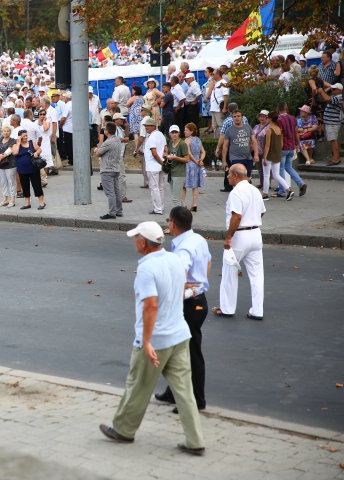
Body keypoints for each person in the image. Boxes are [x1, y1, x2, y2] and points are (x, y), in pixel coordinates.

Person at [99, 221, 205, 457]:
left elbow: (150, 306)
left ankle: (124, 430)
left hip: (157, 340)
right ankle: (195, 440)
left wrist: (146, 341)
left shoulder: (147, 268)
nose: (134, 240)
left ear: (143, 243)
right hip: (179, 335)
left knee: (137, 386)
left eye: (136, 237)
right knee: (185, 391)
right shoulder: (174, 260)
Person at [155, 207, 211, 413]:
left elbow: (178, 274)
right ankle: (173, 391)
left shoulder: (183, 249)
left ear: (172, 225)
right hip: (198, 299)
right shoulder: (197, 239)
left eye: (168, 221)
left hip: (189, 303)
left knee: (190, 352)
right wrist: (200, 283)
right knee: (177, 349)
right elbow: (209, 262)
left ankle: (196, 399)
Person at [212, 164, 266, 321]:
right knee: (257, 275)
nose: (227, 177)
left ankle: (227, 308)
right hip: (256, 234)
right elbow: (262, 211)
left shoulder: (236, 193)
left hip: (239, 236)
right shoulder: (255, 190)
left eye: (229, 174)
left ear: (235, 175)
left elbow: (236, 217)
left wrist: (229, 236)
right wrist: (252, 222)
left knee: (229, 272)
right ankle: (257, 311)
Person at [276, 102, 307, 198]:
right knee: (289, 167)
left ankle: (282, 190)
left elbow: (279, 134)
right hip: (291, 146)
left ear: (278, 109)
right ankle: (301, 183)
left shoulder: (278, 120)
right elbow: (296, 132)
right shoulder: (293, 118)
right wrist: (297, 143)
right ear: (286, 108)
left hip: (282, 147)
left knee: (280, 169)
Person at [11, 130, 45, 210]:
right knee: (25, 186)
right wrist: (18, 142)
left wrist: (36, 153)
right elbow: (15, 153)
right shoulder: (15, 145)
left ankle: (41, 202)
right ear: (19, 137)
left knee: (37, 185)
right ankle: (27, 203)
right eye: (23, 136)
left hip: (33, 169)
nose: (25, 137)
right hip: (22, 170)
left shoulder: (31, 142)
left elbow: (39, 149)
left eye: (26, 135)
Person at [262, 111, 293, 201]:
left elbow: (267, 145)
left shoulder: (269, 130)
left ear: (270, 119)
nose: (267, 119)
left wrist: (264, 157)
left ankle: (265, 194)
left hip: (269, 155)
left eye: (267, 117)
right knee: (276, 175)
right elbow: (282, 144)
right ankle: (289, 190)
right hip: (277, 154)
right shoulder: (279, 129)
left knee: (266, 175)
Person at [221, 110, 258, 180]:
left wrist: (256, 155)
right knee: (237, 179)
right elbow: (225, 146)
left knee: (247, 178)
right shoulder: (229, 130)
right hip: (235, 158)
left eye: (238, 116)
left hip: (248, 158)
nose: (236, 118)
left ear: (242, 117)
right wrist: (224, 161)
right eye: (234, 116)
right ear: (232, 118)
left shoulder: (248, 127)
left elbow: (254, 141)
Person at [97, 122, 122, 219]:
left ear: (107, 131)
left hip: (107, 169)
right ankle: (119, 211)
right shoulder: (117, 140)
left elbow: (98, 153)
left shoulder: (108, 142)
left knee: (110, 192)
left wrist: (97, 149)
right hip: (116, 168)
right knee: (116, 191)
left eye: (105, 129)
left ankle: (112, 213)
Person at [142, 117, 166, 215]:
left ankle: (157, 209)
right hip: (160, 166)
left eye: (148, 126)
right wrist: (163, 162)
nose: (146, 127)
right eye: (145, 126)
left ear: (153, 126)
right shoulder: (161, 135)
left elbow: (154, 153)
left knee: (154, 188)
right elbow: (165, 149)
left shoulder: (152, 137)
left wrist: (161, 162)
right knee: (160, 187)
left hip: (153, 166)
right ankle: (161, 207)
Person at [316, 82, 342, 166]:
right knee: (333, 140)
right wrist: (325, 89)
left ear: (339, 90)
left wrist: (321, 91)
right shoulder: (335, 96)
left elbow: (326, 98)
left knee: (333, 140)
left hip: (333, 123)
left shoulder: (339, 97)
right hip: (330, 122)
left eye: (334, 89)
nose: (332, 90)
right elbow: (324, 98)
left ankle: (336, 159)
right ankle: (335, 157)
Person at [165, 124, 189, 212]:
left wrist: (175, 158)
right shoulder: (170, 143)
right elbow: (169, 155)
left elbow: (187, 159)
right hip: (172, 172)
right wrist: (167, 156)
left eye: (176, 132)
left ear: (179, 133)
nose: (174, 134)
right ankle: (183, 214)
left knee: (175, 199)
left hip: (179, 173)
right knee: (175, 196)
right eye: (172, 132)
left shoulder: (182, 144)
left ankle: (176, 218)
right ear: (169, 134)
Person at [0, 124, 17, 207]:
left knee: (11, 182)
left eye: (8, 131)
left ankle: (12, 199)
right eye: (4, 131)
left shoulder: (13, 141)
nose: (6, 132)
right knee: (3, 182)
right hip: (1, 165)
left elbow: (8, 152)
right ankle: (5, 199)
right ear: (2, 132)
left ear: (10, 132)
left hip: (10, 164)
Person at [183, 123, 205, 211]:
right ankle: (194, 204)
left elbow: (188, 153)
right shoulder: (198, 139)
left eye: (186, 130)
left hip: (189, 165)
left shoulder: (187, 140)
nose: (184, 131)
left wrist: (195, 161)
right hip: (197, 166)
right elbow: (203, 152)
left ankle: (183, 204)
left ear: (191, 131)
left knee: (183, 185)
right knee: (195, 186)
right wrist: (200, 160)